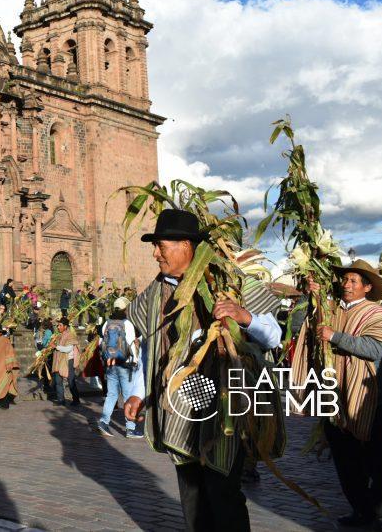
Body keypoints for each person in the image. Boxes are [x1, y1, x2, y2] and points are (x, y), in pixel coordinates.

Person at [124, 209, 283, 532]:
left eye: (161, 246)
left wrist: (243, 316)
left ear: (186, 245)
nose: (156, 254)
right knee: (191, 492)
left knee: (222, 491)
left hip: (224, 405)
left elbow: (274, 336)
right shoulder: (154, 295)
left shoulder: (228, 281)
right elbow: (151, 350)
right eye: (154, 246)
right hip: (178, 410)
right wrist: (139, 393)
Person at [290, 260, 382, 529]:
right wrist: (309, 298)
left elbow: (375, 349)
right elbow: (297, 329)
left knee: (378, 462)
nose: (347, 285)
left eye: (353, 281)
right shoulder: (329, 310)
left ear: (367, 287)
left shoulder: (377, 313)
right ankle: (361, 510)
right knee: (346, 462)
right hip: (335, 398)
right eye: (345, 280)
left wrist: (335, 336)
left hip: (368, 401)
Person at [96, 296, 140, 437]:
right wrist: (136, 361)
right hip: (125, 365)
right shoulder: (127, 324)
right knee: (128, 396)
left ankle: (104, 422)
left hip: (110, 364)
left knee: (111, 395)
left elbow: (100, 344)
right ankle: (130, 428)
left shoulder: (107, 323)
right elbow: (132, 344)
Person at [51, 318, 81, 406]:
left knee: (70, 381)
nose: (58, 327)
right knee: (58, 381)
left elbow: (68, 349)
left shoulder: (70, 335)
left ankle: (76, 400)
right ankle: (61, 400)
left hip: (68, 360)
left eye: (60, 325)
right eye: (58, 325)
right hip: (58, 361)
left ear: (65, 326)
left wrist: (56, 347)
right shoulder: (59, 336)